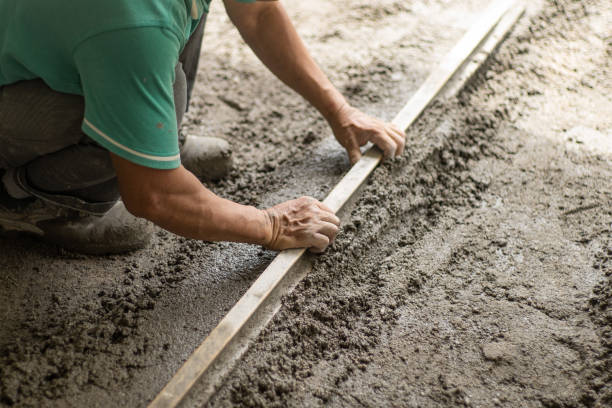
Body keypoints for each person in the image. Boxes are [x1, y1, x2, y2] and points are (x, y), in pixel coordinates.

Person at [0, 0, 405, 254]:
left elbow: (258, 11)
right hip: (19, 93)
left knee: (174, 35)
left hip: (73, 39)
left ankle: (155, 141)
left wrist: (338, 109)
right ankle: (35, 200)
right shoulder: (135, 25)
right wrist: (272, 225)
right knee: (156, 81)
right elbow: (153, 196)